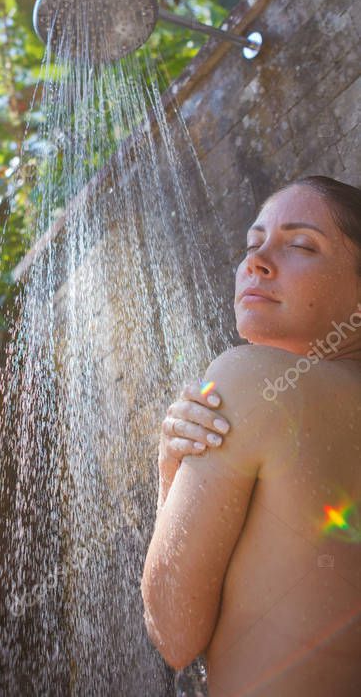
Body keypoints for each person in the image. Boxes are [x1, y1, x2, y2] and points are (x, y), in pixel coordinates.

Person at [141, 175, 361, 696]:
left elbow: (173, 632)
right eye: (252, 244)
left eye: (301, 244)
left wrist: (167, 470)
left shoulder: (250, 380)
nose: (255, 262)